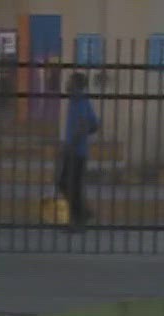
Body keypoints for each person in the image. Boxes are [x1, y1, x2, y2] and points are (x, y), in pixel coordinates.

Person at [57, 73, 99, 229]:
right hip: (77, 151)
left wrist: (70, 144)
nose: (67, 84)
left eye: (70, 82)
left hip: (75, 152)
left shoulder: (79, 101)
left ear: (77, 85)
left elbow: (83, 125)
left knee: (68, 185)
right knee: (67, 184)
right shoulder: (80, 101)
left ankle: (78, 219)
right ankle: (83, 213)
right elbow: (94, 125)